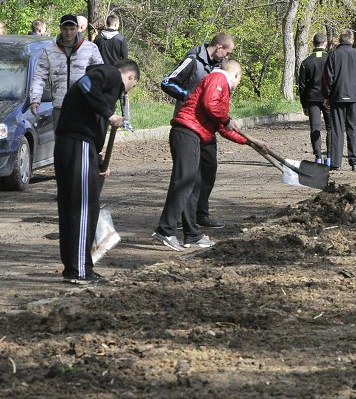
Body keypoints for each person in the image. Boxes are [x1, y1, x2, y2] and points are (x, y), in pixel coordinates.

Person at [152, 60, 264, 252]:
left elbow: (222, 127)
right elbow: (211, 105)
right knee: (184, 182)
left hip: (193, 135)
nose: (237, 85)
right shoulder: (218, 78)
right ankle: (165, 230)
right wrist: (227, 119)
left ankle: (192, 235)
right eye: (239, 80)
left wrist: (250, 142)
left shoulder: (220, 87)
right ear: (236, 75)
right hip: (186, 132)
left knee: (193, 185)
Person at [54, 59, 139, 284]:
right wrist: (109, 114)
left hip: (78, 146)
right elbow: (85, 84)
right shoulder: (111, 74)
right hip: (78, 143)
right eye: (132, 85)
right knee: (83, 208)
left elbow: (89, 113)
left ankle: (75, 268)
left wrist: (98, 161)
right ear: (130, 77)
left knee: (74, 207)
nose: (125, 92)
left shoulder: (102, 86)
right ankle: (80, 270)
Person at [161, 33, 235, 229]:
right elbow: (167, 82)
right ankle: (177, 219)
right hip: (187, 126)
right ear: (219, 47)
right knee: (185, 175)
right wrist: (190, 96)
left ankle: (201, 214)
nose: (227, 57)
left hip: (207, 128)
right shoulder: (193, 61)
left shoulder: (218, 68)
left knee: (208, 171)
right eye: (227, 52)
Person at [29, 14, 104, 126]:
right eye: (65, 29)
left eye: (72, 29)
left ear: (77, 28)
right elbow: (39, 76)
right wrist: (35, 99)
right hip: (60, 106)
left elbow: (100, 75)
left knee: (81, 141)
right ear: (60, 29)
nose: (68, 32)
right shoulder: (50, 50)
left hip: (83, 105)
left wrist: (98, 100)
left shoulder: (90, 48)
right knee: (60, 142)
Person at [323, 28, 356, 171]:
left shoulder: (333, 55)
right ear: (352, 40)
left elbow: (327, 78)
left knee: (337, 130)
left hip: (337, 97)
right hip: (353, 98)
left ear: (340, 40)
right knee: (353, 130)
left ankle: (336, 163)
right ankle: (355, 162)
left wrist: (327, 95)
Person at [297, 33, 331, 164]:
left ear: (313, 43)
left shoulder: (306, 62)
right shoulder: (330, 59)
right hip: (328, 99)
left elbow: (302, 86)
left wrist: (304, 105)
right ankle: (329, 157)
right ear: (325, 43)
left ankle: (318, 157)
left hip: (312, 99)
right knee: (330, 128)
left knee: (315, 128)